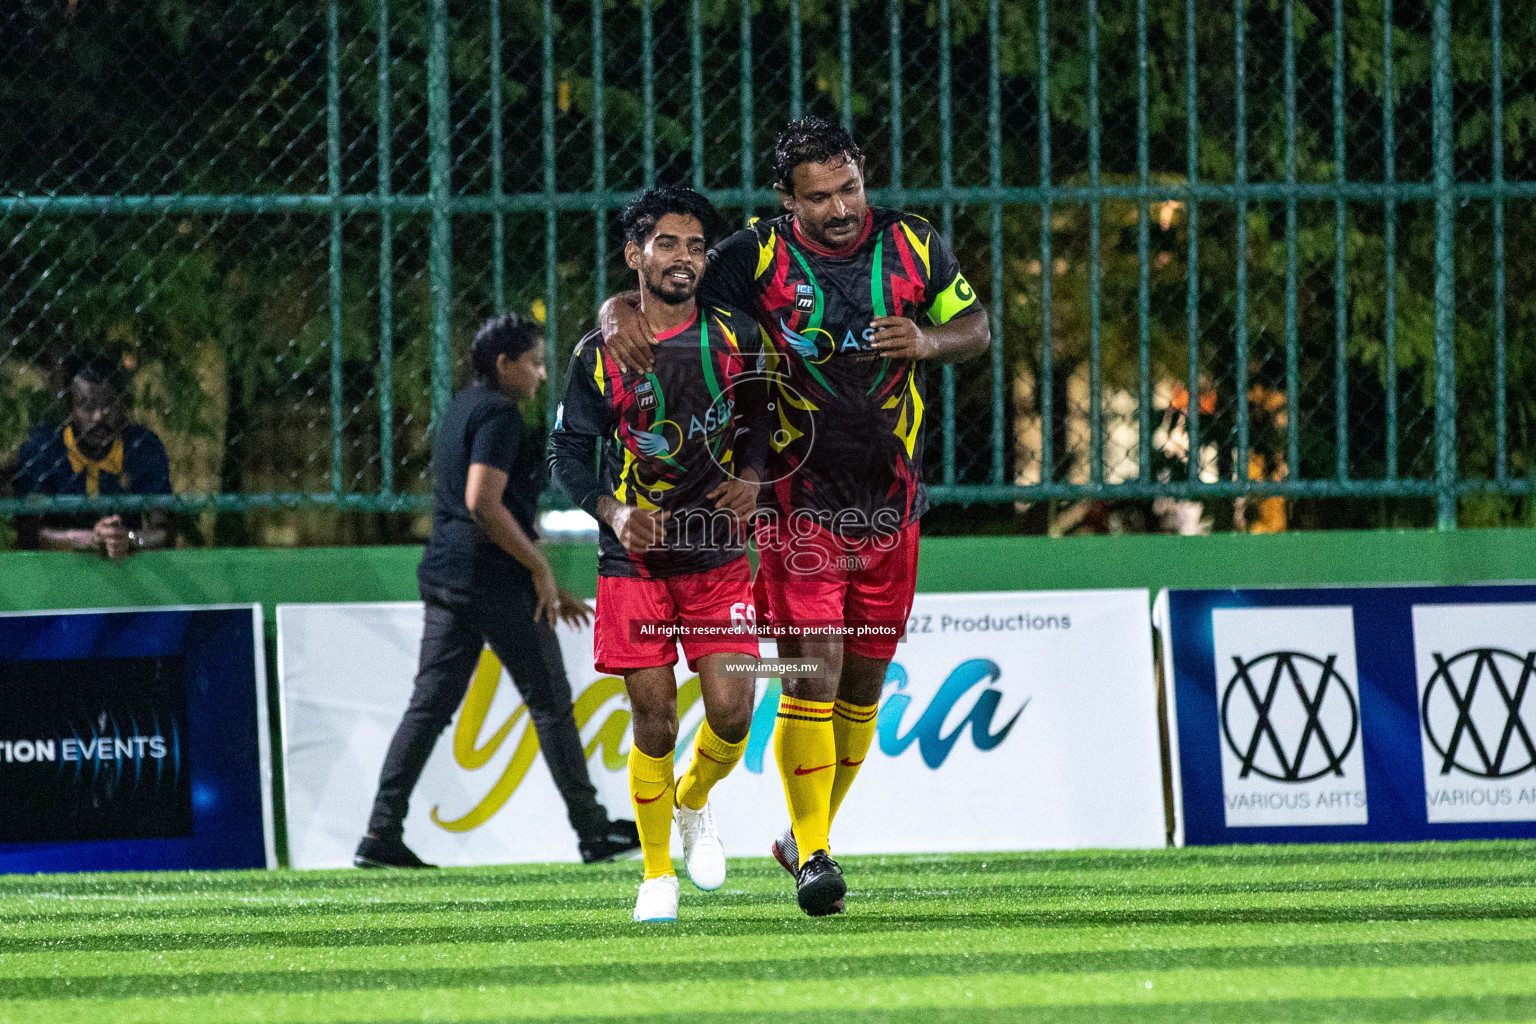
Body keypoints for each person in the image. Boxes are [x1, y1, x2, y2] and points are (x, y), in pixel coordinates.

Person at [599, 117, 990, 916]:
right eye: (821, 197)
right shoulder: (756, 256)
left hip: (892, 504)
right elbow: (666, 292)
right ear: (789, 201)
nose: (842, 207)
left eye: (850, 187)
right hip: (793, 502)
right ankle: (815, 856)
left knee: (863, 688)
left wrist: (927, 338)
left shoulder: (915, 245)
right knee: (811, 671)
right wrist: (613, 314)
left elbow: (977, 328)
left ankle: (793, 834)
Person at [550, 187, 768, 923]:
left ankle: (692, 800)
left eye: (697, 245)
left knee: (734, 713)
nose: (685, 258)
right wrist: (612, 512)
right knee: (652, 720)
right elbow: (568, 452)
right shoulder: (597, 352)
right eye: (668, 244)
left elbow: (770, 413)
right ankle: (655, 877)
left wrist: (753, 473)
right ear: (634, 256)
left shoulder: (738, 336)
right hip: (634, 563)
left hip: (715, 557)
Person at [355, 313, 640, 869]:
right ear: (505, 364)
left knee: (428, 708)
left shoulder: (463, 406)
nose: (540, 374)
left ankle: (379, 833)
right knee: (552, 704)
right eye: (533, 363)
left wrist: (544, 575)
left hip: (448, 577)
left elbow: (496, 506)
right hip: (492, 581)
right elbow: (482, 502)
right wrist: (538, 570)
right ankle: (593, 833)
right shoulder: (500, 414)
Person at [11, 356, 172, 557]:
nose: (98, 417)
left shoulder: (143, 446)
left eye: (109, 403)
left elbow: (162, 531)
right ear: (70, 406)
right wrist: (90, 539)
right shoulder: (42, 449)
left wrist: (129, 539)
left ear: (122, 404)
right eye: (86, 405)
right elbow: (32, 534)